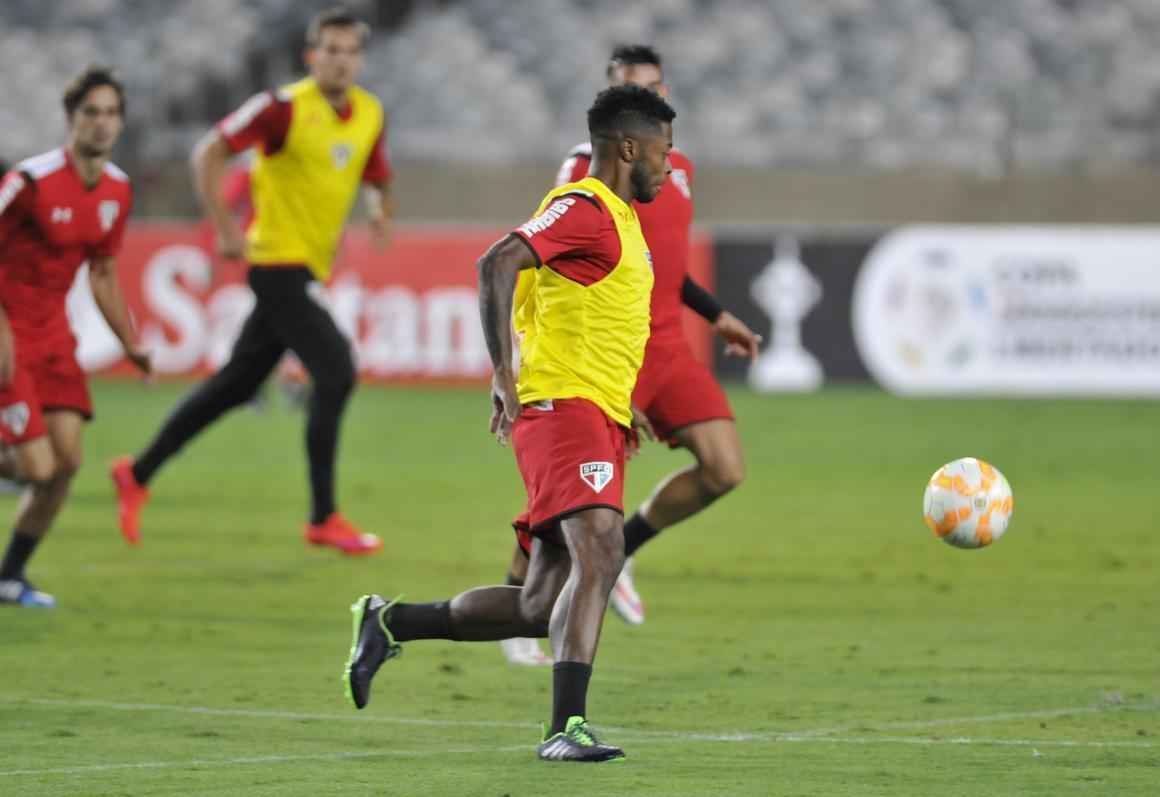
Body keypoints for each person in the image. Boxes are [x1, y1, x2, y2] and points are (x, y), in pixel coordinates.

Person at [344, 84, 676, 763]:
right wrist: (503, 373)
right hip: (562, 409)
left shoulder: (615, 216)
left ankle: (388, 619)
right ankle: (565, 727)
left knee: (537, 602)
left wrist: (622, 407)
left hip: (593, 412)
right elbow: (498, 261)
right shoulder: (583, 209)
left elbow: (585, 318)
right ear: (629, 147)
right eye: (665, 153)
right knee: (604, 550)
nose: (669, 169)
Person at [500, 44, 760, 665]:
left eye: (653, 85)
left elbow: (664, 264)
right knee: (567, 500)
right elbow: (550, 254)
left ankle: (630, 551)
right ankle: (519, 607)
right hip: (607, 342)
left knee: (724, 468)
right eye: (631, 84)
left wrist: (716, 314)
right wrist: (514, 357)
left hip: (665, 338)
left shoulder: (679, 170)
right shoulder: (581, 175)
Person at [110, 6, 392, 554]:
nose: (338, 60)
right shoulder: (282, 108)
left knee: (236, 385)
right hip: (276, 264)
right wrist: (222, 227)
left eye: (348, 51)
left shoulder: (369, 114)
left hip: (308, 265)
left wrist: (379, 208)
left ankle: (137, 472)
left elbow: (377, 173)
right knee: (336, 372)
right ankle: (323, 517)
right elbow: (208, 152)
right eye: (328, 50)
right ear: (311, 56)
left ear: (359, 60)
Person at [0, 66, 150, 607]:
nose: (102, 123)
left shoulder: (117, 190)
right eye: (92, 112)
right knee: (32, 465)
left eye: (111, 113)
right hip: (6, 330)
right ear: (71, 119)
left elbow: (103, 272)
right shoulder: (30, 181)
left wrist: (130, 342)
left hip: (54, 339)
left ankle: (9, 576)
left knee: (64, 465)